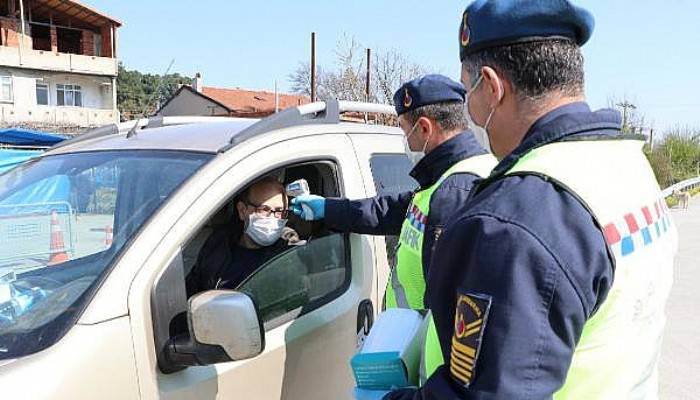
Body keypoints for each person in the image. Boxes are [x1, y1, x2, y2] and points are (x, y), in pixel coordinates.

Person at [384, 1, 678, 399]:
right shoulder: (627, 165)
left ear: (491, 87)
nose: (468, 111)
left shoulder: (515, 220)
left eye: (468, 89)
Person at [292, 74, 497, 381]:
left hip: (428, 362)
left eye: (405, 130)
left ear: (425, 128)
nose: (406, 140)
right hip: (410, 344)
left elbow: (456, 311)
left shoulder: (456, 191)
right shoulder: (442, 180)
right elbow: (388, 210)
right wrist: (326, 208)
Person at [186, 176, 299, 296]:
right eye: (264, 209)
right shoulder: (218, 243)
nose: (273, 217)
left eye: (280, 211)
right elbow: (191, 290)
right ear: (242, 210)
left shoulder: (287, 256)